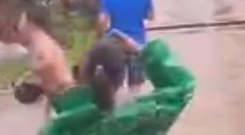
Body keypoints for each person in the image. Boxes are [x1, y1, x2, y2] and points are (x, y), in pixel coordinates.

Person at [41, 30, 196, 135]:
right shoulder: (147, 114)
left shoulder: (63, 128)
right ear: (121, 78)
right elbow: (183, 89)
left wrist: (62, 96)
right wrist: (143, 52)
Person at [0, 2, 74, 120]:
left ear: (32, 23)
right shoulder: (36, 41)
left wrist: (33, 73)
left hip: (64, 91)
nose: (19, 27)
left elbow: (47, 59)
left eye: (22, 22)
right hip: (56, 94)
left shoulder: (41, 41)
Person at [97, 0, 154, 94]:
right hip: (138, 44)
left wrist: (100, 34)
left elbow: (103, 22)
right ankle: (134, 108)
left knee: (117, 85)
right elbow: (150, 16)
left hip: (116, 45)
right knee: (135, 87)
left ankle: (118, 110)